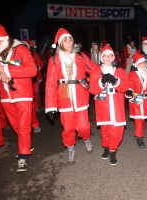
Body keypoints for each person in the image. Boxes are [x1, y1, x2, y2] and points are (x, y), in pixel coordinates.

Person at [0, 24, 37, 172]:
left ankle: (23, 155)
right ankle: (26, 142)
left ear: (5, 38)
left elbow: (32, 70)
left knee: (24, 126)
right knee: (16, 126)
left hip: (23, 94)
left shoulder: (20, 49)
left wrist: (7, 69)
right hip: (6, 96)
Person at [45, 28, 98, 163]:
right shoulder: (54, 60)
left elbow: (94, 69)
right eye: (65, 40)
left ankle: (86, 138)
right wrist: (50, 105)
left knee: (84, 126)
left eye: (70, 39)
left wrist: (108, 69)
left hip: (80, 94)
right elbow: (50, 82)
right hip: (63, 94)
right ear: (60, 43)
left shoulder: (80, 56)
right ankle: (70, 147)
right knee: (68, 127)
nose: (68, 42)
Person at [89, 45, 129, 165]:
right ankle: (106, 146)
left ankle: (113, 150)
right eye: (105, 55)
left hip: (116, 103)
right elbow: (92, 89)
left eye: (110, 55)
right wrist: (101, 82)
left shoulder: (120, 71)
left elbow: (126, 86)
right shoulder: (96, 72)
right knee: (105, 128)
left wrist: (116, 81)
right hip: (103, 104)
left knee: (116, 128)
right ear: (102, 57)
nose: (108, 58)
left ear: (113, 57)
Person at [125, 52, 147, 148]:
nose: (143, 65)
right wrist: (130, 91)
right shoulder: (132, 74)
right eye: (140, 63)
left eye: (144, 62)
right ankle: (139, 137)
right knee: (138, 118)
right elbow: (130, 84)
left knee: (143, 118)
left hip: (146, 99)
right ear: (136, 64)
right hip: (136, 98)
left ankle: (140, 130)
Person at [22, 39, 43, 134]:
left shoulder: (34, 54)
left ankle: (35, 123)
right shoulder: (17, 55)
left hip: (35, 78)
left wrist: (37, 66)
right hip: (21, 83)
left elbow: (41, 64)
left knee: (34, 94)